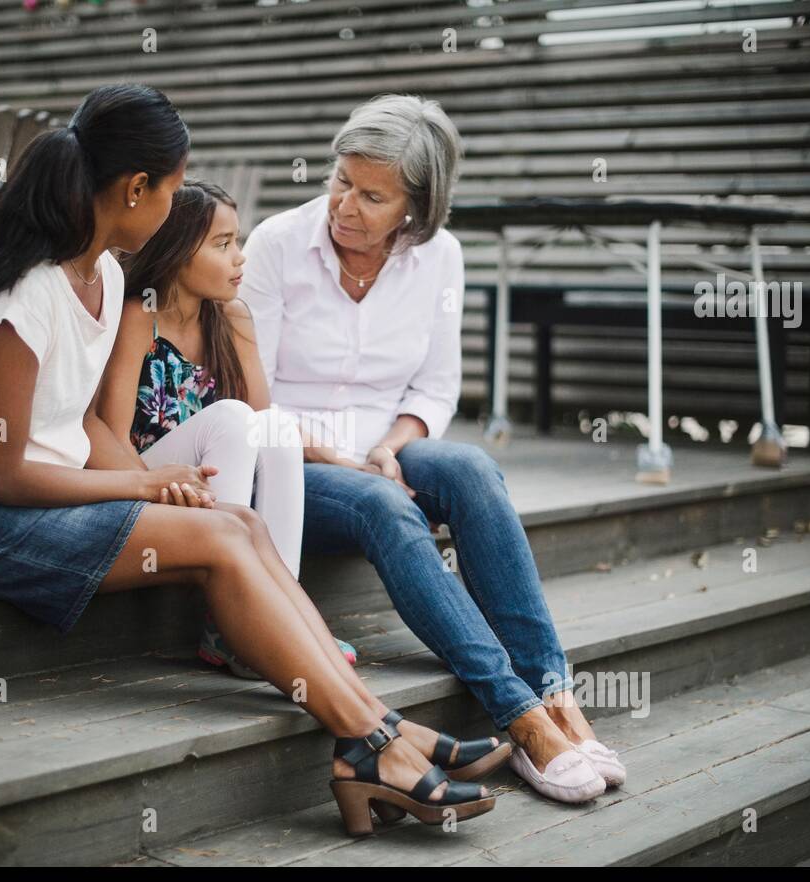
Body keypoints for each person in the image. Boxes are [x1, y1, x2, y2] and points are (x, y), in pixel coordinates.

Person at [0, 82, 504, 836]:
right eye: (175, 189)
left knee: (242, 524)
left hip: (51, 497)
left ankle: (379, 727)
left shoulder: (105, 275)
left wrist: (147, 492)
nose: (175, 208)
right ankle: (370, 743)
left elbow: (84, 421)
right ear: (135, 189)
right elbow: (2, 473)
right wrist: (143, 484)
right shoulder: (18, 292)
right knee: (222, 537)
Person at [239, 93, 627, 804]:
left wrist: (389, 448)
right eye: (340, 181)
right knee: (385, 505)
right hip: (289, 466)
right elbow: (252, 402)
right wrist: (350, 464)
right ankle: (523, 719)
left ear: (415, 209)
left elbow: (436, 387)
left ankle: (557, 696)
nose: (344, 206)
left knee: (472, 469)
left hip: (382, 451)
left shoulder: (439, 256)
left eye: (371, 196)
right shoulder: (276, 245)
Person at [96, 179, 357, 677]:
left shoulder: (232, 318)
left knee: (273, 424)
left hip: (213, 487)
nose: (240, 258)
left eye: (238, 241)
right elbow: (111, 432)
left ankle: (278, 616)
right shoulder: (138, 315)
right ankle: (235, 616)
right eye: (222, 244)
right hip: (144, 479)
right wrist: (153, 484)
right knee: (233, 417)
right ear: (175, 252)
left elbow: (266, 428)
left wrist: (343, 459)